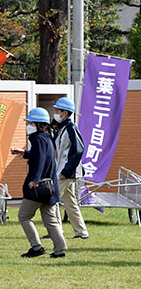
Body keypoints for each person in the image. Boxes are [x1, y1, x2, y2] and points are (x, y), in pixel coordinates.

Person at [11, 107, 67, 258]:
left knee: (23, 216)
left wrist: (35, 180)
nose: (28, 125)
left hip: (38, 188)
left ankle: (36, 247)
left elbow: (40, 161)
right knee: (51, 221)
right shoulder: (47, 137)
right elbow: (41, 156)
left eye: (30, 122)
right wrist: (23, 153)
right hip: (50, 188)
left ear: (39, 124)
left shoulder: (37, 139)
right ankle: (59, 250)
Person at [50, 97, 89, 239]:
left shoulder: (71, 128)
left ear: (65, 113)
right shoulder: (62, 129)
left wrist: (66, 172)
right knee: (70, 202)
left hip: (68, 172)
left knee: (52, 198)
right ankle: (82, 232)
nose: (55, 113)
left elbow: (79, 150)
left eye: (57, 111)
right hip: (65, 171)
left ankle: (56, 231)